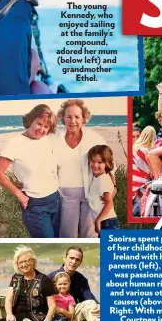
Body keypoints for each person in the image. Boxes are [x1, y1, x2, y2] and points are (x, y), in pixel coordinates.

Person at [0, 104, 60, 238]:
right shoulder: (15, 143)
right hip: (35, 206)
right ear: (30, 120)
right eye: (39, 124)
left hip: (56, 201)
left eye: (46, 127)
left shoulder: (46, 140)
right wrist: (19, 195)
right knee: (47, 243)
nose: (41, 129)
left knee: (57, 241)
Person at [52, 99, 111, 238]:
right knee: (67, 234)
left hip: (91, 193)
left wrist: (111, 190)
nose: (73, 121)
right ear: (62, 118)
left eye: (77, 117)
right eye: (68, 116)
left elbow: (108, 165)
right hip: (65, 194)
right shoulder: (54, 138)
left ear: (84, 118)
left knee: (90, 233)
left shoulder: (95, 138)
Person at [48, 246, 124, 321]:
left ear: (80, 262)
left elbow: (88, 297)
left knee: (92, 305)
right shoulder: (51, 278)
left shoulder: (81, 279)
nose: (74, 262)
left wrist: (98, 305)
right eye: (71, 258)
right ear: (64, 258)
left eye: (77, 259)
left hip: (72, 314)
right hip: (54, 315)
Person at [0, 246, 56, 321]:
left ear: (32, 261)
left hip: (36, 317)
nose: (23, 265)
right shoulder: (15, 278)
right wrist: (9, 314)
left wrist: (47, 320)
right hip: (15, 317)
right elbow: (8, 299)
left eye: (26, 261)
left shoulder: (43, 280)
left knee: (23, 318)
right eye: (20, 262)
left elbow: (52, 305)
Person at [87, 145, 119, 235]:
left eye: (100, 162)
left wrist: (98, 220)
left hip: (107, 222)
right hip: (108, 221)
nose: (95, 165)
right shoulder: (99, 177)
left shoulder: (102, 179)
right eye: (93, 161)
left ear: (107, 164)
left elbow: (109, 203)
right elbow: (112, 192)